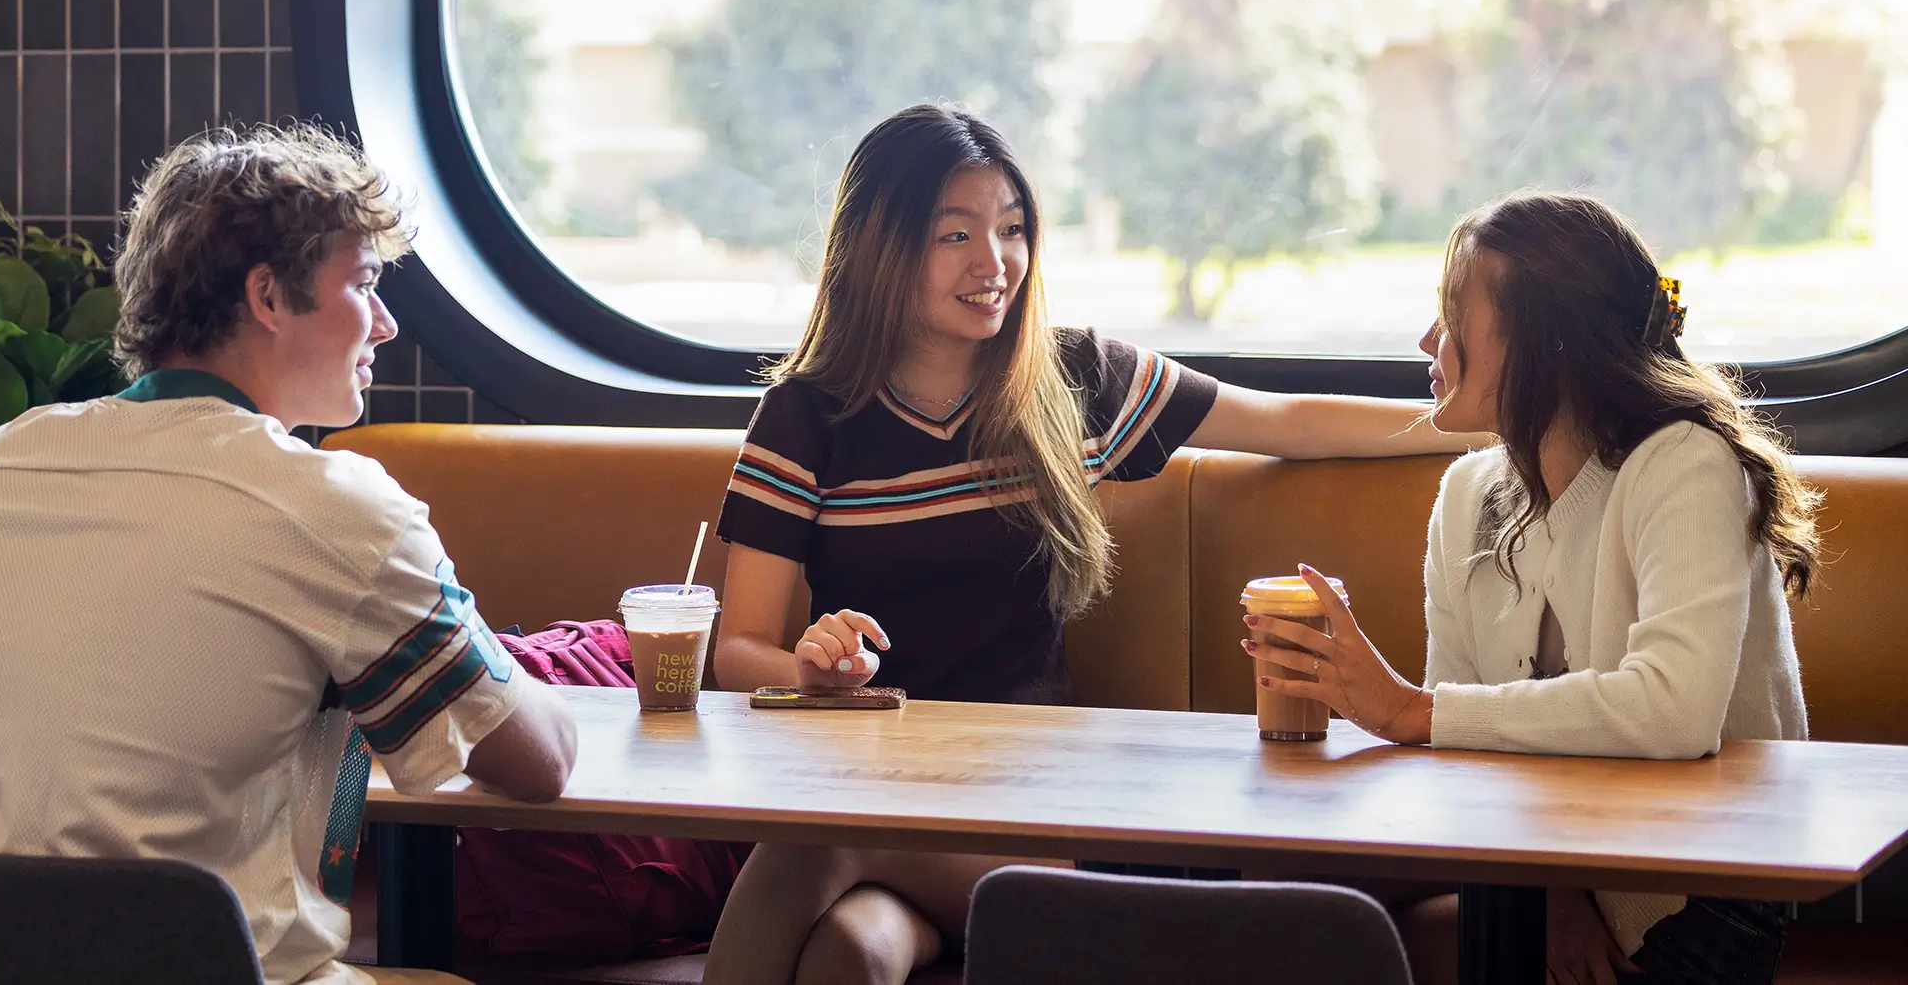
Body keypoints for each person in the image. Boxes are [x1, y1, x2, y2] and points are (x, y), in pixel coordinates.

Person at [701, 104, 1493, 985]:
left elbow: (1286, 422)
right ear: (879, 248)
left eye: (1011, 230)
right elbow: (738, 647)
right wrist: (807, 674)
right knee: (848, 954)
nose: (992, 263)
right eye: (952, 235)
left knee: (814, 847)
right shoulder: (809, 416)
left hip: (1045, 797)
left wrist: (1487, 424)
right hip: (882, 784)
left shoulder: (1073, 376)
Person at [0, 125, 579, 985]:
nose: (385, 322)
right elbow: (538, 764)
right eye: (365, 283)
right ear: (268, 295)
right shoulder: (330, 506)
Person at [1240, 191, 1816, 985]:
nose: (1427, 339)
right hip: (1534, 856)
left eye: (1451, 315)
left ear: (1546, 345)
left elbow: (1673, 710)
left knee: (1362, 937)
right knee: (1290, 891)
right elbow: (1465, 745)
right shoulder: (1469, 494)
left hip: (1693, 879)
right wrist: (1547, 889)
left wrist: (1407, 709)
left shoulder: (1683, 465)